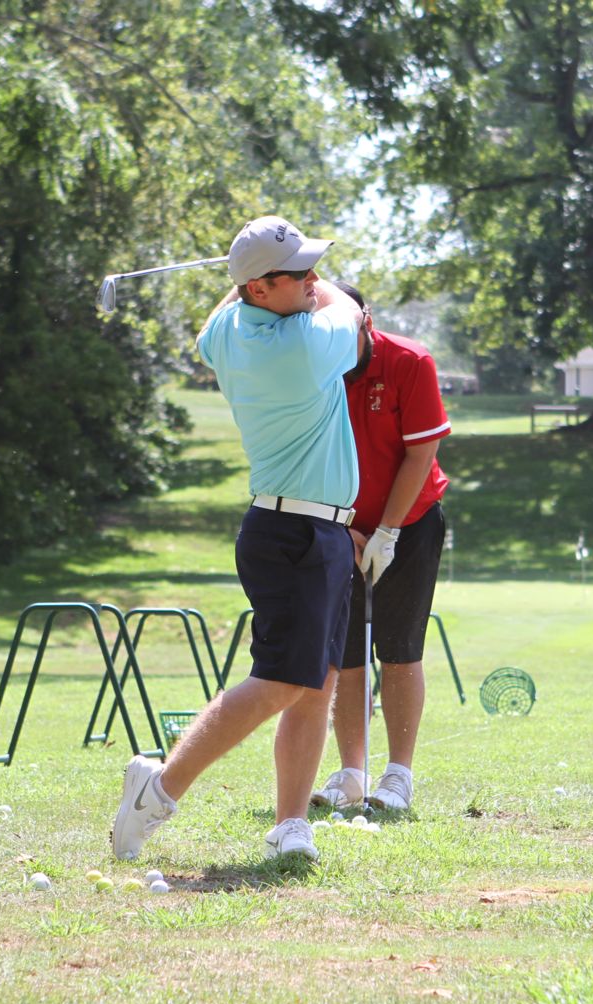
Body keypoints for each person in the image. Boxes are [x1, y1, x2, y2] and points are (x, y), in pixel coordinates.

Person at [110, 215, 364, 863]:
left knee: (317, 684)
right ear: (258, 289)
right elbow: (351, 309)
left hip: (317, 528)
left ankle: (289, 822)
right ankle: (157, 790)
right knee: (280, 681)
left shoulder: (227, 330)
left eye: (312, 268)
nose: (312, 279)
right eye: (298, 272)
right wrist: (305, 277)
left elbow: (215, 318)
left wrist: (261, 264)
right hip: (295, 531)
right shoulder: (307, 341)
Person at [310, 283, 451, 813]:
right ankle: (351, 772)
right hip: (335, 526)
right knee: (346, 655)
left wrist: (388, 531)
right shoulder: (313, 369)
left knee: (399, 649)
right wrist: (343, 527)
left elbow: (420, 454)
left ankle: (397, 776)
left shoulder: (411, 361)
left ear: (365, 320)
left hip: (410, 522)